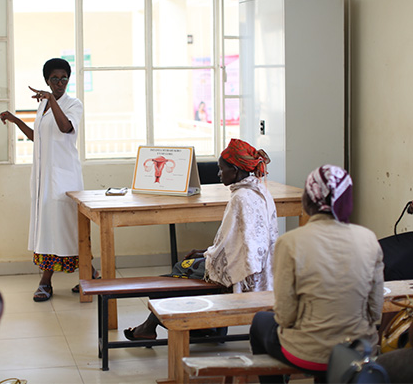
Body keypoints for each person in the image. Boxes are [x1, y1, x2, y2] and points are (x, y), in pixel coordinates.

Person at [124, 138, 279, 341]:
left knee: (176, 272)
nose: (218, 174)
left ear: (235, 170)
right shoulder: (260, 191)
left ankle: (166, 326)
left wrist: (208, 254)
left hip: (240, 271)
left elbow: (229, 248)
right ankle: (206, 329)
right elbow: (237, 241)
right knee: (186, 266)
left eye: (222, 169)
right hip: (262, 269)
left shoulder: (240, 198)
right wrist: (206, 251)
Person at [249, 165, 384, 384]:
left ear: (308, 199)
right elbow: (375, 311)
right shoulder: (368, 239)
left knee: (259, 323)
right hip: (357, 349)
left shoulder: (290, 242)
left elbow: (285, 315)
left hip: (308, 354)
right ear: (347, 200)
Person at [0, 58, 92, 302]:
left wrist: (51, 99)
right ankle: (90, 274)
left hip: (64, 179)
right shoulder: (43, 106)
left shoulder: (73, 104)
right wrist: (16, 119)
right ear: (47, 80)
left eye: (64, 78)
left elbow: (65, 128)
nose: (60, 83)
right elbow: (38, 137)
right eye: (54, 79)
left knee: (65, 228)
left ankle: (45, 282)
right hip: (43, 179)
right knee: (50, 228)